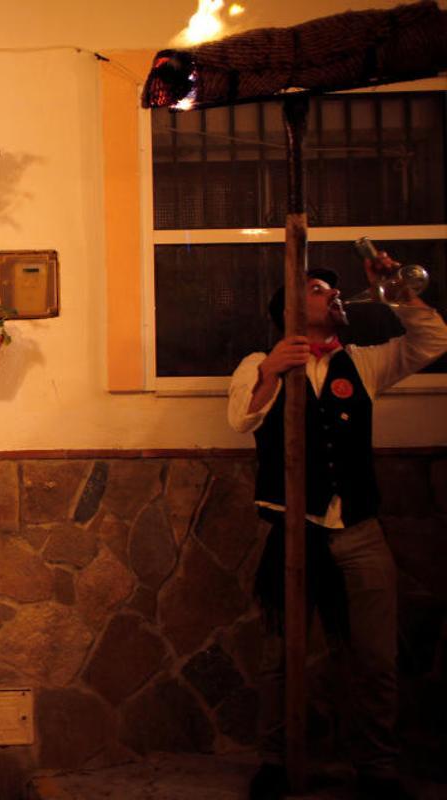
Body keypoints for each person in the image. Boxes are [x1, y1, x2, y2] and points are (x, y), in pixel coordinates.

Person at [228, 257, 447, 800]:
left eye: (332, 289)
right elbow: (241, 419)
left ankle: (377, 768)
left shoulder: (364, 363)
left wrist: (397, 291)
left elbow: (434, 341)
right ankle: (275, 761)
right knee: (281, 660)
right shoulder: (257, 362)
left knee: (375, 658)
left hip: (358, 532)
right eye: (318, 288)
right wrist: (271, 371)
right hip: (292, 532)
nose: (333, 294)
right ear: (288, 308)